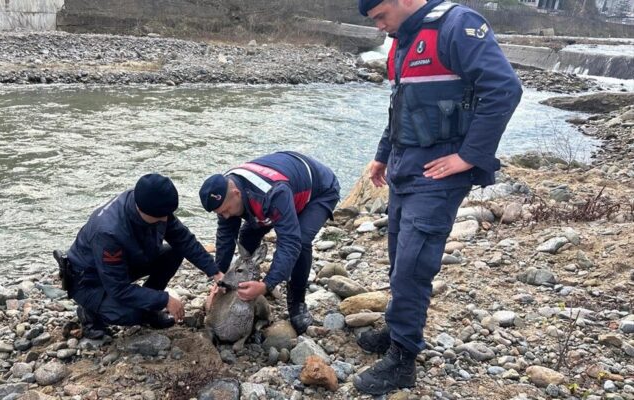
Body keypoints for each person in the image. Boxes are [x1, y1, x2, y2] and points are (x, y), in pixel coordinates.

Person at [353, 0, 523, 395]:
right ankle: (398, 329)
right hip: (403, 167)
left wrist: (468, 157)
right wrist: (382, 156)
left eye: (380, 16)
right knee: (399, 258)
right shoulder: (402, 39)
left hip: (437, 176)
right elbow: (402, 104)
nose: (378, 27)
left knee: (413, 265)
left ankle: (403, 359)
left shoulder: (457, 25)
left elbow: (504, 89)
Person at [61, 173, 223, 339]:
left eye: (168, 215)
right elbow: (118, 288)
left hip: (125, 262)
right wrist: (164, 300)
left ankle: (149, 308)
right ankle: (90, 314)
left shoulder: (153, 204)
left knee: (175, 251)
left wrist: (214, 271)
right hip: (89, 281)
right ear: (142, 210)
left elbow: (183, 239)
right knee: (133, 315)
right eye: (161, 216)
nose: (166, 219)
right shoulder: (109, 233)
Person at [198, 151, 340, 334]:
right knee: (248, 235)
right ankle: (248, 280)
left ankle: (297, 302)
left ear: (236, 193)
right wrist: (221, 277)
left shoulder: (272, 194)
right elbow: (226, 236)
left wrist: (267, 284)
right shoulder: (224, 191)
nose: (224, 216)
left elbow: (290, 242)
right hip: (287, 187)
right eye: (220, 213)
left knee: (302, 241)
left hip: (319, 191)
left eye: (226, 210)